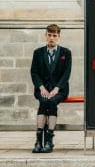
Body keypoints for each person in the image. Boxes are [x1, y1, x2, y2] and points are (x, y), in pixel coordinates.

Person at [30, 24, 72, 153]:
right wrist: (41, 87)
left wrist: (57, 89)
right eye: (49, 35)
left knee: (52, 102)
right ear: (46, 35)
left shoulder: (66, 53)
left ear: (58, 36)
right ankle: (38, 141)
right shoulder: (38, 53)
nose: (51, 38)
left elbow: (66, 73)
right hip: (42, 89)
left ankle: (49, 140)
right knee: (44, 101)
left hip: (60, 89)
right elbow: (34, 72)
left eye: (54, 35)